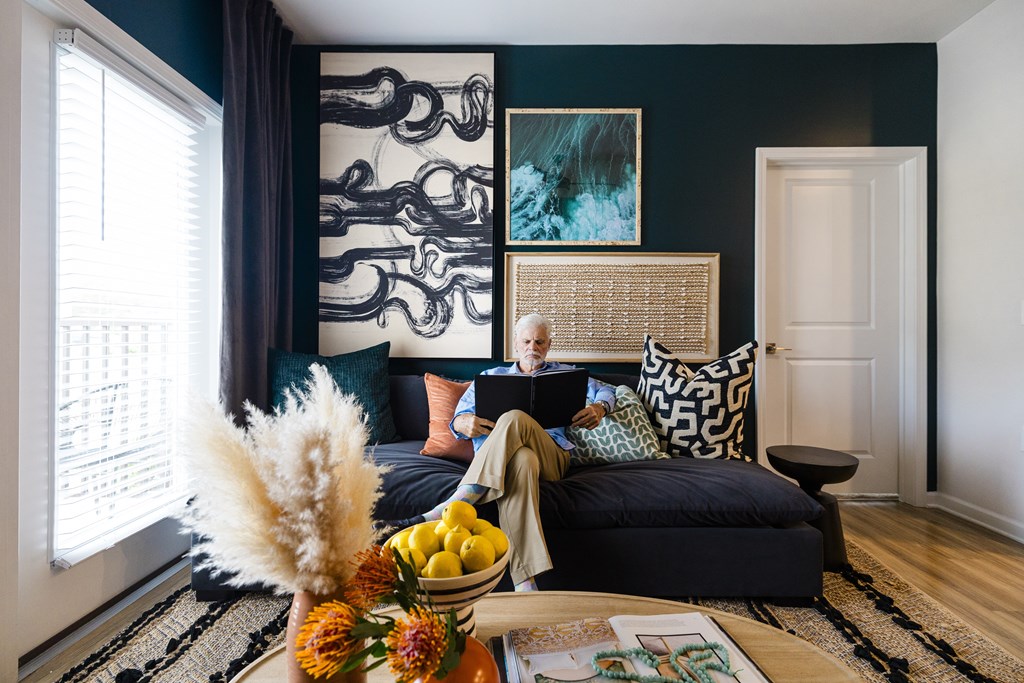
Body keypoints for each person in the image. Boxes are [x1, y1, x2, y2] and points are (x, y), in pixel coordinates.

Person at [386, 313, 615, 591]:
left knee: (515, 418)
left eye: (540, 342)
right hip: (510, 463)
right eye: (527, 341)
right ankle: (525, 582)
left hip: (552, 458)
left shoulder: (566, 374)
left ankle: (458, 502)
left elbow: (605, 392)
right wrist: (463, 422)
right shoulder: (490, 377)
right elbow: (457, 419)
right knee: (523, 460)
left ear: (549, 344)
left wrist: (599, 408)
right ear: (517, 344)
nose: (534, 347)